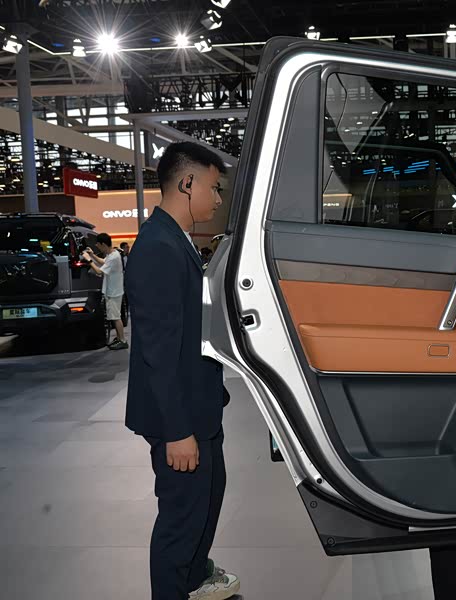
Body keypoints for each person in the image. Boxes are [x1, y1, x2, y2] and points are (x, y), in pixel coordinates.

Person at [124, 141, 239, 600]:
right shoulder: (158, 247)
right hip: (180, 420)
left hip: (200, 409)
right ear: (187, 183)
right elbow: (158, 351)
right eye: (213, 187)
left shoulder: (177, 241)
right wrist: (177, 431)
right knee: (180, 523)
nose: (217, 198)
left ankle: (194, 579)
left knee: (206, 505)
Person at [82, 232, 127, 350]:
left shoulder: (113, 257)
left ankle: (122, 340)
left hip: (113, 291)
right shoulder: (113, 254)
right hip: (114, 290)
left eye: (98, 245)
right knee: (114, 316)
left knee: (115, 317)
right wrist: (92, 255)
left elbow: (99, 271)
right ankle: (119, 338)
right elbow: (103, 262)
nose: (98, 247)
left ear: (103, 244)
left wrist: (89, 260)